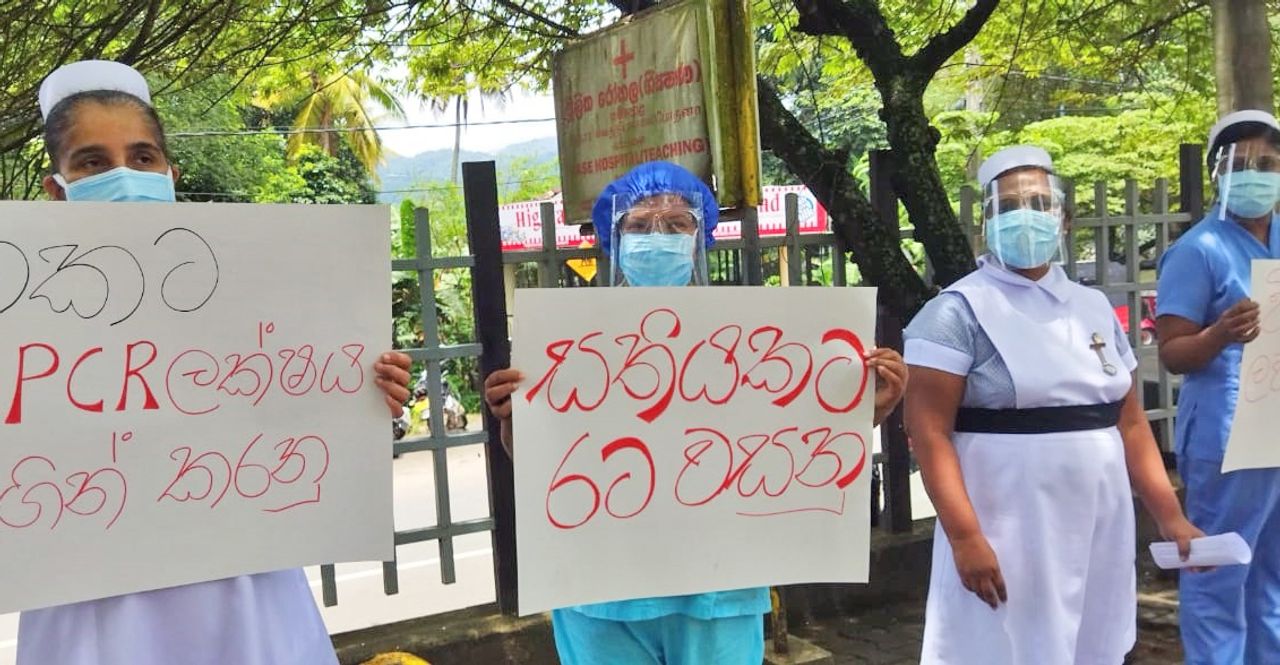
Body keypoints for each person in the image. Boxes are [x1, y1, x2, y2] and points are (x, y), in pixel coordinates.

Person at [19, 60, 414, 665]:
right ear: (57, 188)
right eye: (93, 163)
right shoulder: (22, 318)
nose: (125, 176)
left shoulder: (253, 290)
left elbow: (297, 431)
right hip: (93, 609)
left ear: (170, 174)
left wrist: (365, 401)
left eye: (143, 157)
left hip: (248, 593)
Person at [482, 161, 909, 665]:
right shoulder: (568, 344)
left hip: (717, 588)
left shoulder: (750, 341)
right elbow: (541, 460)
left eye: (676, 224)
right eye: (639, 225)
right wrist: (514, 417)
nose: (656, 237)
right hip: (600, 589)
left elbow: (797, 445)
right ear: (613, 238)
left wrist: (866, 411)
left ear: (700, 237)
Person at [905, 145, 1202, 665]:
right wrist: (965, 536)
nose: (1027, 216)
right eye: (1009, 206)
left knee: (1092, 642)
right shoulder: (955, 313)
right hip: (1006, 522)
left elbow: (1131, 423)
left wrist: (1170, 516)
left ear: (1063, 219)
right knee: (1006, 645)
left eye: (1040, 203)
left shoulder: (1092, 307)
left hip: (1098, 521)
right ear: (987, 224)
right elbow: (928, 433)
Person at [1155, 109, 1280, 664]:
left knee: (1272, 576)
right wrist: (1220, 334)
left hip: (1276, 432)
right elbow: (1173, 353)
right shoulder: (1198, 250)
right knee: (1218, 570)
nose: (1255, 175)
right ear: (1217, 173)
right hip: (1227, 440)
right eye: (1240, 164)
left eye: (1268, 164)